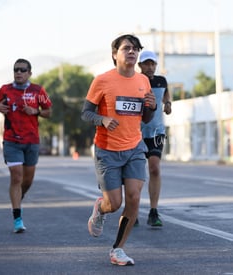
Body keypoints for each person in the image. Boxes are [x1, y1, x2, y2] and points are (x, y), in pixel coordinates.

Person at [81, 34, 157, 266]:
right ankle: (101, 208)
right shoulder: (102, 80)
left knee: (134, 198)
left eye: (135, 48)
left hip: (134, 146)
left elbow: (145, 117)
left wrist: (151, 108)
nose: (132, 52)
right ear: (115, 54)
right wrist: (102, 119)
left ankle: (118, 249)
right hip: (107, 150)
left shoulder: (143, 80)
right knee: (114, 204)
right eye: (126, 48)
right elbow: (86, 113)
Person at [0, 58, 52, 233]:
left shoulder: (38, 90)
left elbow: (48, 111)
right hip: (12, 140)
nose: (19, 72)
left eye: (23, 70)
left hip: (32, 141)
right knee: (16, 177)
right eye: (16, 69)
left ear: (29, 73)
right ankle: (17, 218)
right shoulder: (5, 89)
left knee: (27, 180)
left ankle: (20, 197)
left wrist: (36, 111)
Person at [137, 51, 172, 227]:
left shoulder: (161, 81)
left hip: (157, 132)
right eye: (146, 64)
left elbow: (166, 95)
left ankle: (153, 211)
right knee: (134, 173)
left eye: (153, 64)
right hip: (136, 133)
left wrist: (168, 104)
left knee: (155, 169)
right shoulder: (134, 81)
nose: (150, 67)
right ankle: (132, 211)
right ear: (140, 65)